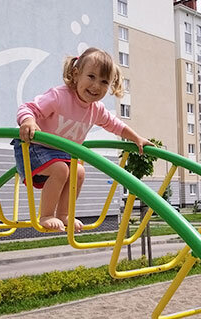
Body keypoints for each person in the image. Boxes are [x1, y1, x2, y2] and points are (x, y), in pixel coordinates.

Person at [14, 47, 153, 233]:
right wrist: (29, 121)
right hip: (33, 148)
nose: (96, 86)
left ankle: (64, 214)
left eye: (104, 81)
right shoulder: (59, 96)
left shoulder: (96, 109)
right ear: (76, 74)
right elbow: (28, 108)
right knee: (61, 169)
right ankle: (46, 215)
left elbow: (115, 125)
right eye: (91, 77)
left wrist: (136, 137)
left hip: (61, 154)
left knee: (79, 171)